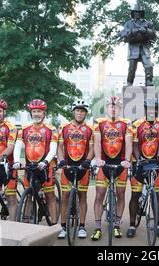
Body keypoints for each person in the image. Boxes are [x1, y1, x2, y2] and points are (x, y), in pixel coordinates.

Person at [90, 96, 133, 241]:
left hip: (121, 164)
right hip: (104, 163)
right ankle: (97, 228)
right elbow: (96, 142)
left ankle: (117, 225)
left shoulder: (126, 123)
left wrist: (127, 160)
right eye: (111, 106)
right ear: (107, 108)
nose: (113, 109)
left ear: (120, 109)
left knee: (120, 194)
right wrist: (97, 159)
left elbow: (128, 144)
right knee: (99, 194)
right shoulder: (99, 123)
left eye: (116, 106)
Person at [127, 98, 159, 238]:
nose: (152, 111)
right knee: (135, 194)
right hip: (139, 163)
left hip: (155, 163)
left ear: (157, 109)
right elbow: (134, 144)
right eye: (149, 109)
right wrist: (139, 158)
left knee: (155, 195)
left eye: (154, 108)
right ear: (145, 110)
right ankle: (132, 225)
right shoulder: (137, 124)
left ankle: (157, 225)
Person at [13, 99, 59, 224]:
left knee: (49, 196)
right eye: (34, 111)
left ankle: (55, 225)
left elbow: (53, 148)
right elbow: (17, 145)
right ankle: (27, 224)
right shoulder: (24, 129)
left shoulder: (51, 129)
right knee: (28, 196)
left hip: (46, 167)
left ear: (44, 113)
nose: (36, 114)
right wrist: (17, 161)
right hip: (30, 167)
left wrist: (46, 161)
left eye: (39, 111)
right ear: (31, 113)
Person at [57, 99, 94, 239]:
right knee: (65, 197)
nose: (80, 113)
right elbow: (60, 147)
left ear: (85, 113)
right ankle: (63, 227)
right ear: (73, 112)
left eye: (82, 111)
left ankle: (82, 226)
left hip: (82, 166)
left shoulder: (90, 129)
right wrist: (61, 160)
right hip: (67, 165)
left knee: (82, 196)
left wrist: (88, 161)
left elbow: (91, 149)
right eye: (78, 111)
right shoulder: (64, 127)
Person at [119, 3, 156, 86]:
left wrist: (146, 31)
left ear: (141, 13)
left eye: (139, 12)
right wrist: (131, 32)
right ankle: (129, 82)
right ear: (133, 13)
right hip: (133, 49)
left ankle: (148, 81)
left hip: (144, 48)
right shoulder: (128, 24)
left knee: (149, 65)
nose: (137, 13)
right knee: (132, 68)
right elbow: (122, 34)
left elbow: (154, 35)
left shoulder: (148, 23)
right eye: (135, 12)